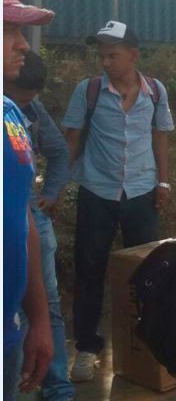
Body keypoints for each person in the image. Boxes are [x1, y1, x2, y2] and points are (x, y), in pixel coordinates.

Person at [61, 20, 175, 382]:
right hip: (97, 193)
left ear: (133, 55)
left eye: (113, 54)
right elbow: (73, 139)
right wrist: (58, 186)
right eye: (102, 55)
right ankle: (87, 348)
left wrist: (163, 182)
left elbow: (160, 139)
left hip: (141, 193)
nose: (106, 61)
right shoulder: (89, 90)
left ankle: (145, 344)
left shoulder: (155, 92)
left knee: (147, 272)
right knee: (90, 271)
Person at [5, 52, 74, 400]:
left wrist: (49, 193)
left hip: (29, 218)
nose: (24, 108)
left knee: (45, 305)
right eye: (18, 98)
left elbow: (60, 152)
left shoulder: (27, 111)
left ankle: (57, 387)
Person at [3, 0, 54, 398]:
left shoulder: (12, 117)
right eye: (7, 30)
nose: (22, 44)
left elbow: (22, 218)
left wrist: (38, 318)